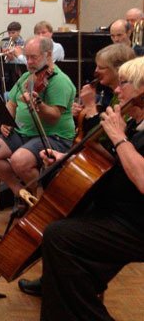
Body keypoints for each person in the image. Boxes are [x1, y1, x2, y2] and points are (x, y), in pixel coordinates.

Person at [39, 56, 144, 320]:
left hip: (136, 224)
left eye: (124, 84)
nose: (117, 91)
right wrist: (66, 160)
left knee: (59, 237)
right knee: (67, 218)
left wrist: (119, 138)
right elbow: (109, 163)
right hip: (118, 212)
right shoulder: (134, 123)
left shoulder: (128, 129)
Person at [0, 36, 76, 208]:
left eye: (33, 57)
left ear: (48, 55)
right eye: (27, 57)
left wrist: (38, 107)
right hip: (23, 132)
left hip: (52, 137)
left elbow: (55, 115)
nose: (29, 62)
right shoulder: (27, 77)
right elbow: (11, 103)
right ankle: (20, 191)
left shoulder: (59, 81)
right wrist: (7, 121)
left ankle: (41, 197)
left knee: (20, 160)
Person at [72, 44, 136, 135]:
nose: (96, 71)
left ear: (118, 69)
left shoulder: (128, 99)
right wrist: (81, 114)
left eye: (101, 67)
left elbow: (104, 140)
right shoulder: (114, 96)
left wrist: (90, 107)